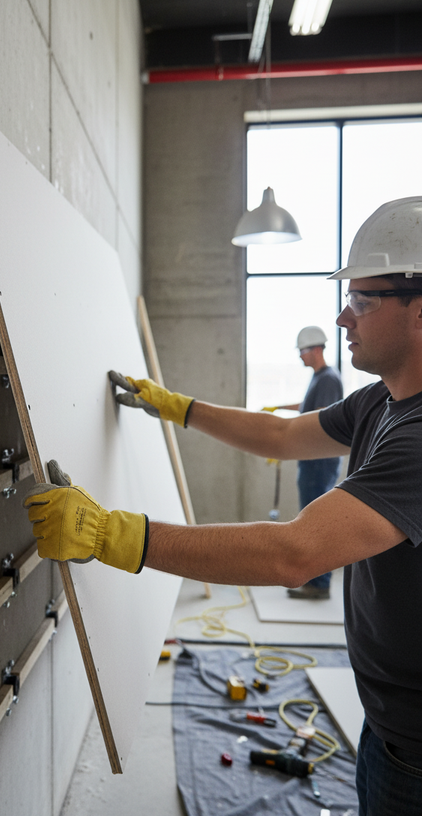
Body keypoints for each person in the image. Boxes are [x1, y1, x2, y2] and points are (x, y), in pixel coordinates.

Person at [24, 197, 422, 816]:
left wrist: (111, 535)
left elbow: (294, 553)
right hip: (388, 724)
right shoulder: (379, 402)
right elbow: (282, 435)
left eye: (363, 301)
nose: (344, 316)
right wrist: (177, 407)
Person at [272, 325, 344, 599]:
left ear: (316, 349)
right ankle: (316, 581)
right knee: (312, 520)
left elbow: (319, 418)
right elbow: (308, 408)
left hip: (318, 462)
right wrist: (279, 408)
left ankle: (319, 584)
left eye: (302, 351)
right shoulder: (320, 377)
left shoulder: (328, 379)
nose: (300, 356)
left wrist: (285, 440)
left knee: (315, 524)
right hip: (314, 460)